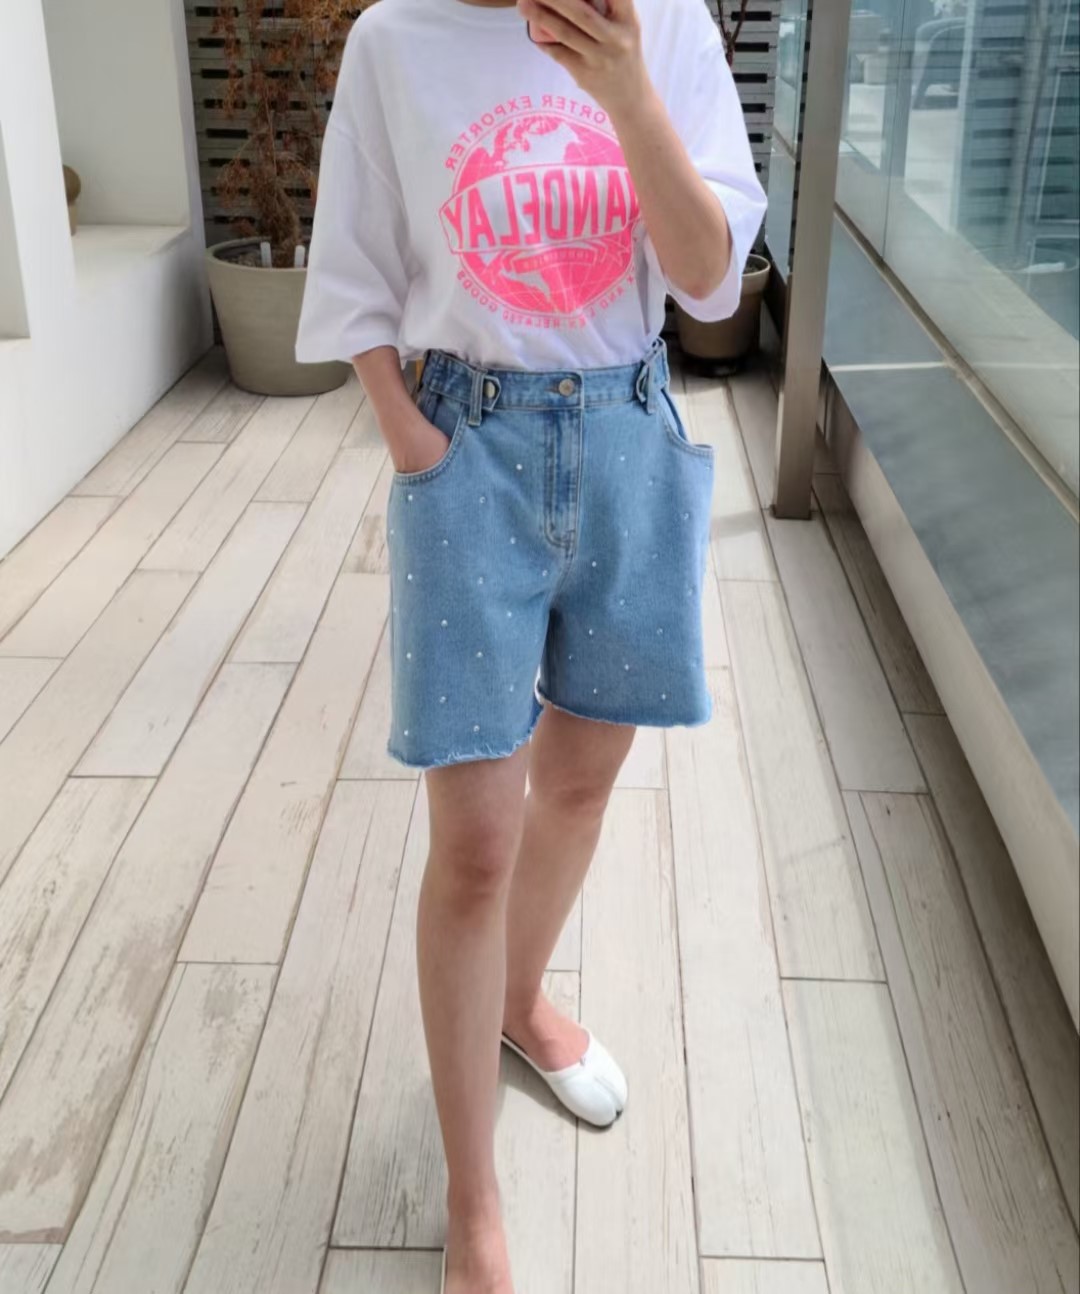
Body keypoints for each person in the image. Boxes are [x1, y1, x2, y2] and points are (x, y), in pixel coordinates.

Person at [296, 0, 765, 1287]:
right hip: (469, 450)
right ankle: (473, 1197)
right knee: (475, 843)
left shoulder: (661, 24)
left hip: (627, 438)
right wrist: (416, 445)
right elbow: (354, 275)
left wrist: (626, 89)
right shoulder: (396, 40)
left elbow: (708, 281)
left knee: (581, 781)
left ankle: (516, 1000)